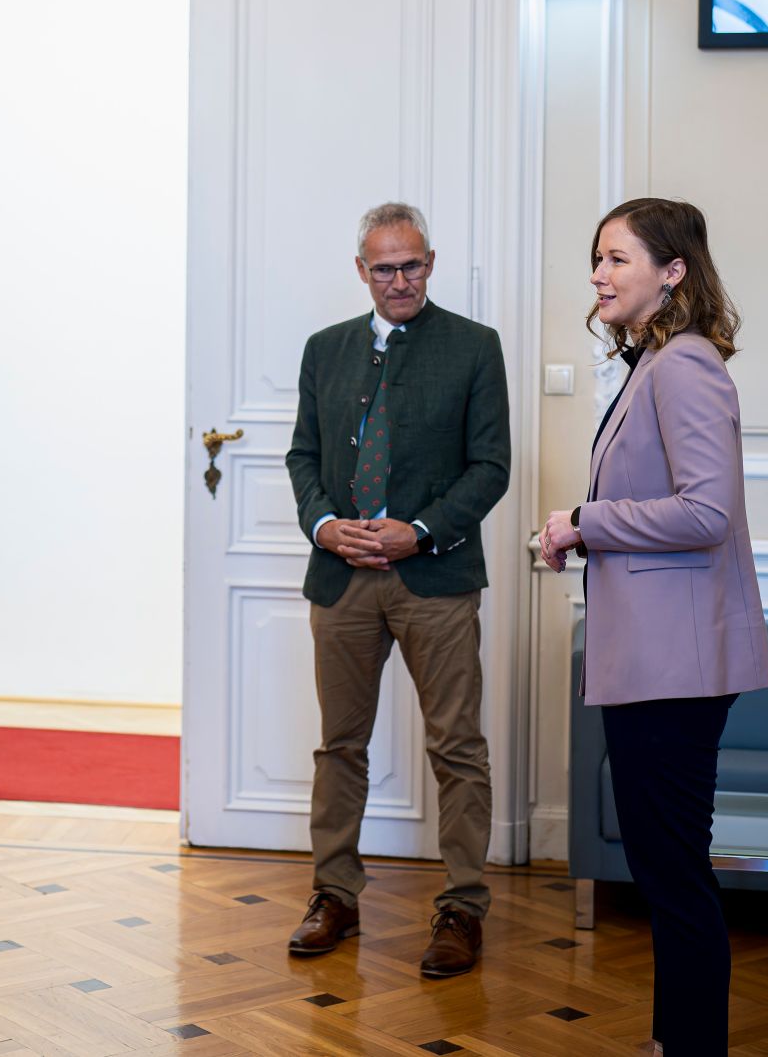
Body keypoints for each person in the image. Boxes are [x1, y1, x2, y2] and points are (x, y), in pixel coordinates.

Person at [541, 197, 768, 1054]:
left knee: (673, 880)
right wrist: (582, 527)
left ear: (673, 271)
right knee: (666, 872)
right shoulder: (653, 364)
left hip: (675, 668)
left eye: (616, 259)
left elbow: (707, 511)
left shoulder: (685, 364)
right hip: (654, 661)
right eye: (595, 259)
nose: (598, 275)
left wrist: (582, 521)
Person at [284, 202, 510, 977]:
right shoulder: (326, 349)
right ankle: (335, 894)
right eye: (384, 267)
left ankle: (463, 906)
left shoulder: (476, 348)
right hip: (341, 579)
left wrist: (421, 529)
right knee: (339, 744)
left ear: (431, 262)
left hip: (436, 579)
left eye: (412, 263)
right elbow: (303, 456)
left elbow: (492, 467)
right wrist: (322, 525)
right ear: (362, 270)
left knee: (457, 746)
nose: (400, 278)